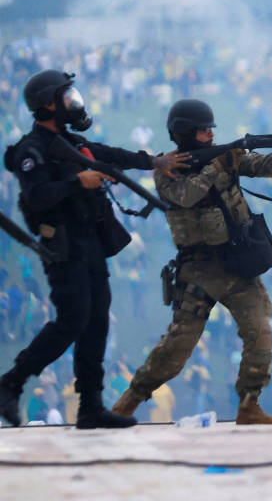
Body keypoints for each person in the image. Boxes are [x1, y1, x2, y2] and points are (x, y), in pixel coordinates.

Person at [112, 99, 272, 424]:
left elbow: (266, 166)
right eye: (204, 130)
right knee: (175, 350)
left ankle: (249, 403)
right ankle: (129, 400)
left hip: (237, 265)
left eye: (212, 130)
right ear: (184, 134)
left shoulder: (224, 158)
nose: (211, 135)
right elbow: (185, 196)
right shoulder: (167, 169)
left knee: (260, 333)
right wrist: (217, 167)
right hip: (197, 270)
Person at [0, 70, 187, 429]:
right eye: (65, 97)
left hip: (88, 242)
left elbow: (109, 154)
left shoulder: (70, 142)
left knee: (97, 321)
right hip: (63, 247)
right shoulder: (33, 150)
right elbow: (36, 196)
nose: (74, 102)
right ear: (48, 105)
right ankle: (11, 382)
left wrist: (155, 162)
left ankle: (90, 407)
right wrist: (76, 182)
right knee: (72, 320)